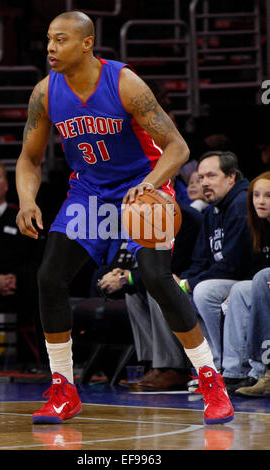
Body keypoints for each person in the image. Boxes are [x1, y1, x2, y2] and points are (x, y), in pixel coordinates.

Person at [15, 11, 233, 425]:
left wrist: (150, 182)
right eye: (47, 40)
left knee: (154, 276)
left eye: (59, 40)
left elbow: (177, 147)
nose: (49, 48)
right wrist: (27, 199)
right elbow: (29, 159)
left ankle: (210, 378)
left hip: (143, 185)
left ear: (86, 43)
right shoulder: (44, 93)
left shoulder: (124, 83)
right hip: (91, 193)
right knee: (49, 277)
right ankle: (63, 388)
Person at [98, 199, 203, 391]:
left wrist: (126, 278)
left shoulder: (183, 218)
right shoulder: (135, 219)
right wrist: (117, 274)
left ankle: (172, 367)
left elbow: (172, 267)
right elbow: (123, 261)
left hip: (186, 281)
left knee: (158, 288)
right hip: (162, 279)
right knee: (133, 292)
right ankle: (151, 363)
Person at [173, 151, 254, 371]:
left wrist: (190, 282)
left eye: (211, 176)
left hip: (248, 279)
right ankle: (204, 367)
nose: (204, 183)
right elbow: (200, 259)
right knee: (179, 294)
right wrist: (183, 281)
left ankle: (223, 368)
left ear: (231, 177)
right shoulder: (212, 212)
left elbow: (235, 264)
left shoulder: (241, 204)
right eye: (201, 178)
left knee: (203, 291)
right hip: (226, 278)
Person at [0, 158, 45, 370]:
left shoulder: (22, 216)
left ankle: (38, 362)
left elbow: (35, 256)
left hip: (20, 283)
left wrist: (15, 277)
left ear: (6, 184)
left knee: (40, 287)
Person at [221, 172, 270, 396]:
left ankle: (265, 371)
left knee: (260, 279)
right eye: (256, 195)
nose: (260, 201)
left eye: (268, 196)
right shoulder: (259, 227)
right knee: (240, 289)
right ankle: (236, 372)